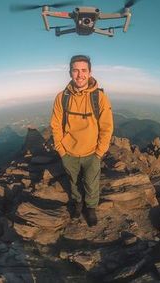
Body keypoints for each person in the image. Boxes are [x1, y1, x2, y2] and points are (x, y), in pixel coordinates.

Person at [50, 55, 114, 226]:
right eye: (76, 70)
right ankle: (78, 204)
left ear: (90, 72)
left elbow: (107, 127)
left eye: (83, 70)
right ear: (70, 72)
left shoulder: (99, 97)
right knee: (73, 182)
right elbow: (55, 125)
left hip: (92, 152)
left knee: (91, 184)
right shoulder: (61, 97)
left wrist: (99, 152)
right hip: (69, 152)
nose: (80, 75)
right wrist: (61, 151)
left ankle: (90, 208)